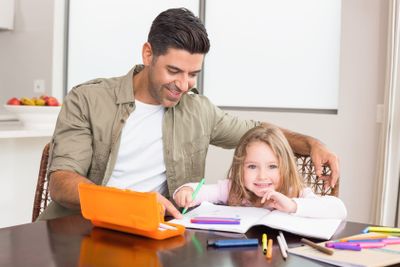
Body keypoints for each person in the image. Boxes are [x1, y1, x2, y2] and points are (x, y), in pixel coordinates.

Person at [38, 8, 340, 221]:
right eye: (174, 71)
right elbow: (62, 182)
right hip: (81, 229)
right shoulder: (88, 99)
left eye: (193, 74)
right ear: (148, 54)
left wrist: (311, 143)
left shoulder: (198, 110)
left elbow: (256, 131)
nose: (183, 85)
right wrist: (129, 203)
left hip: (158, 234)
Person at [174, 125, 346, 219]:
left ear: (285, 167)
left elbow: (338, 209)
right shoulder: (233, 189)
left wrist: (293, 205)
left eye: (272, 166)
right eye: (252, 167)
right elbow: (200, 191)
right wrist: (186, 191)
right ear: (239, 167)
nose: (262, 176)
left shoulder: (295, 192)